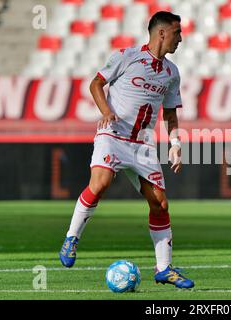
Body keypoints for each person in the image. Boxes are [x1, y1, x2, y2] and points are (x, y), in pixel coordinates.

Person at [59, 11, 194, 289]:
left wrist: (175, 143)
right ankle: (72, 237)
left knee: (160, 203)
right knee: (101, 183)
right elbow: (96, 83)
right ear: (161, 33)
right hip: (114, 135)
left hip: (143, 145)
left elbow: (170, 113)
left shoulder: (172, 73)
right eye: (177, 33)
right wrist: (106, 111)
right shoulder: (126, 56)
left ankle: (164, 268)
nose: (180, 38)